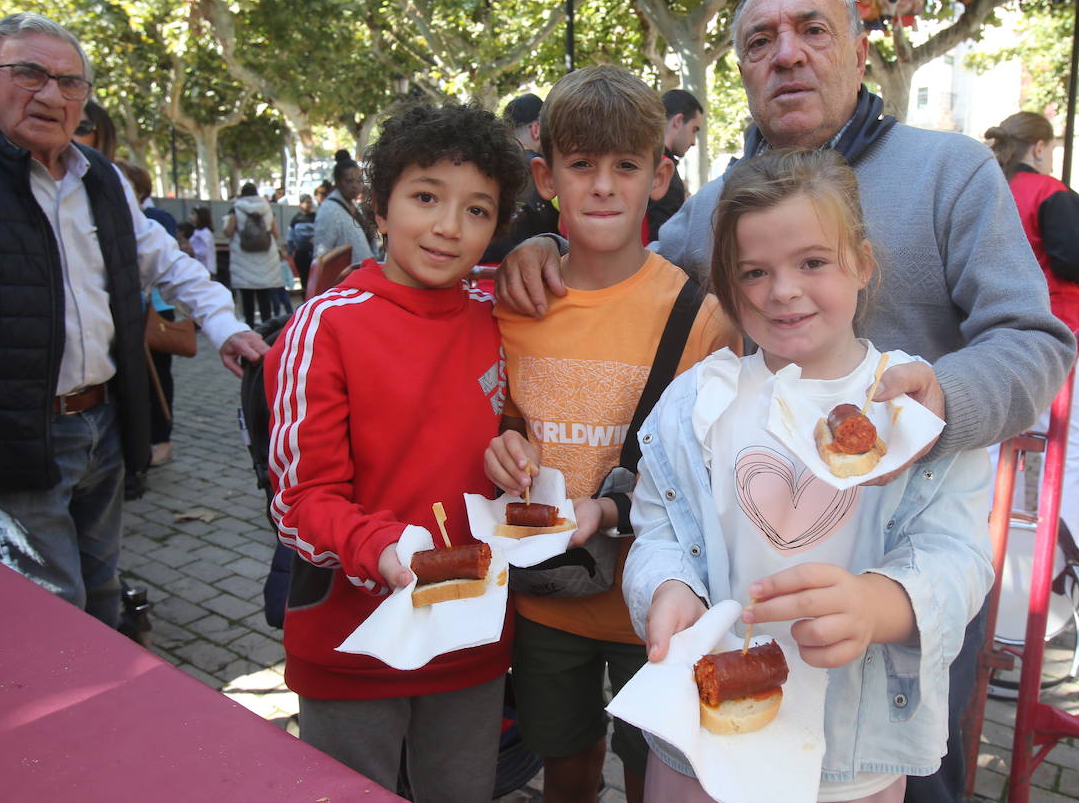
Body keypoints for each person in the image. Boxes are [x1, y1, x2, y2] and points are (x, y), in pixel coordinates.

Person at [496, 0, 1074, 803]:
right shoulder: (730, 197)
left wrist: (937, 406)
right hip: (743, 589)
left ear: (859, 49)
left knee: (910, 780)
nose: (787, 55)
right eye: (761, 41)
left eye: (811, 30)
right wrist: (546, 249)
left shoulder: (953, 171)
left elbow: (1033, 337)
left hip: (892, 578)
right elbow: (634, 275)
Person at [624, 147, 992, 802]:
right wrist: (666, 587)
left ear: (862, 264)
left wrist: (884, 606)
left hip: (849, 755)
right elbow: (659, 527)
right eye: (755, 272)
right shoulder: (697, 403)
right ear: (731, 288)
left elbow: (958, 551)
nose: (784, 290)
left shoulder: (916, 403)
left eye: (813, 262)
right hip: (702, 737)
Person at [0, 13, 266, 627]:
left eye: (70, 83)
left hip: (103, 422)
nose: (50, 95)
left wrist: (225, 326)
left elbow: (165, 260)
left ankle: (113, 713)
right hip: (8, 434)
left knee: (102, 590)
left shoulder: (102, 179)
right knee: (46, 612)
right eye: (28, 74)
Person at [483, 66, 740, 803]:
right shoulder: (514, 302)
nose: (603, 186)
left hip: (657, 602)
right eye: (582, 165)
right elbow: (498, 417)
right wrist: (500, 444)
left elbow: (711, 467)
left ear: (659, 176)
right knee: (564, 767)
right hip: (544, 599)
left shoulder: (702, 317)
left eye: (625, 166)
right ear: (545, 174)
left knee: (652, 775)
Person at [265, 103, 526, 800]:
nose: (448, 227)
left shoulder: (493, 319)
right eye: (425, 198)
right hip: (352, 648)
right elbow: (298, 504)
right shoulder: (326, 328)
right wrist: (386, 551)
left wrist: (514, 448)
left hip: (469, 645)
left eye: (477, 210)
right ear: (380, 208)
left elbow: (502, 425)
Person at [983, 112, 1079, 601]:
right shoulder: (1049, 192)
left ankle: (998, 555)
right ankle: (1058, 561)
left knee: (999, 446)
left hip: (989, 330)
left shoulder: (986, 184)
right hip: (1051, 332)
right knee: (1073, 444)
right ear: (1039, 147)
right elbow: (1078, 259)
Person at [120, 160, 180, 468]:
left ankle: (162, 437)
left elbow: (168, 263)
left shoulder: (156, 219)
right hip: (123, 315)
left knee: (158, 376)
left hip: (156, 310)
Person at [481, 93, 560, 263]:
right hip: (532, 274)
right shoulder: (545, 171)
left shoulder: (482, 164)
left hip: (473, 275)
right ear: (537, 129)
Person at [647, 88, 704, 241]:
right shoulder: (661, 167)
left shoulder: (647, 162)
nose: (693, 141)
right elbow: (663, 239)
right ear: (678, 121)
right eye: (694, 130)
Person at [224, 181, 282, 327]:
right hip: (266, 257)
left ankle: (249, 327)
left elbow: (228, 232)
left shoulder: (236, 209)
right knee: (264, 297)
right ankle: (267, 327)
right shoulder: (267, 208)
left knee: (247, 297)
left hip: (243, 258)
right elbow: (276, 233)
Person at [315, 150, 379, 266]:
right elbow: (322, 254)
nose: (355, 186)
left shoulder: (354, 205)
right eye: (349, 181)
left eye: (358, 181)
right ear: (338, 183)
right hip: (345, 280)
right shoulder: (329, 209)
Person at [287, 193, 317, 291]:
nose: (309, 204)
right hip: (301, 253)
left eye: (310, 202)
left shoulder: (316, 217)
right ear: (301, 204)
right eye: (306, 202)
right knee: (304, 278)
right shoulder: (296, 219)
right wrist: (290, 250)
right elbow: (290, 236)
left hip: (315, 254)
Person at [190, 206, 217, 278]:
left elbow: (205, 250)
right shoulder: (197, 231)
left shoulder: (205, 232)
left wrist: (193, 252)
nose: (190, 217)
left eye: (193, 214)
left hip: (205, 267)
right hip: (199, 267)